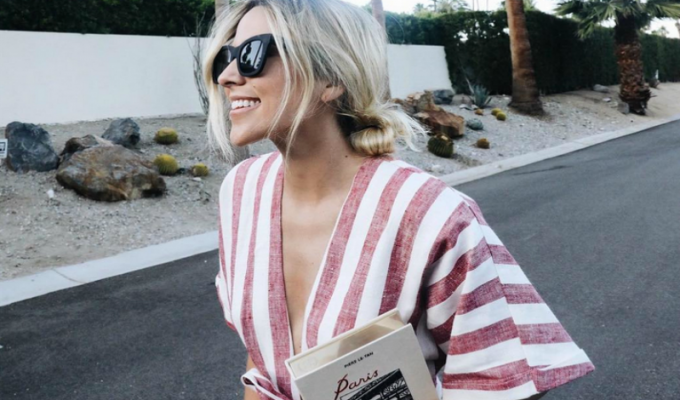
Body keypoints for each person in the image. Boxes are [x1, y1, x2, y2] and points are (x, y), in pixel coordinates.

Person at [203, 1, 595, 399]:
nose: (227, 76)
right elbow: (262, 361)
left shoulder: (427, 212)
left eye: (252, 54)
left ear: (330, 78)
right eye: (225, 57)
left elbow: (505, 373)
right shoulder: (242, 193)